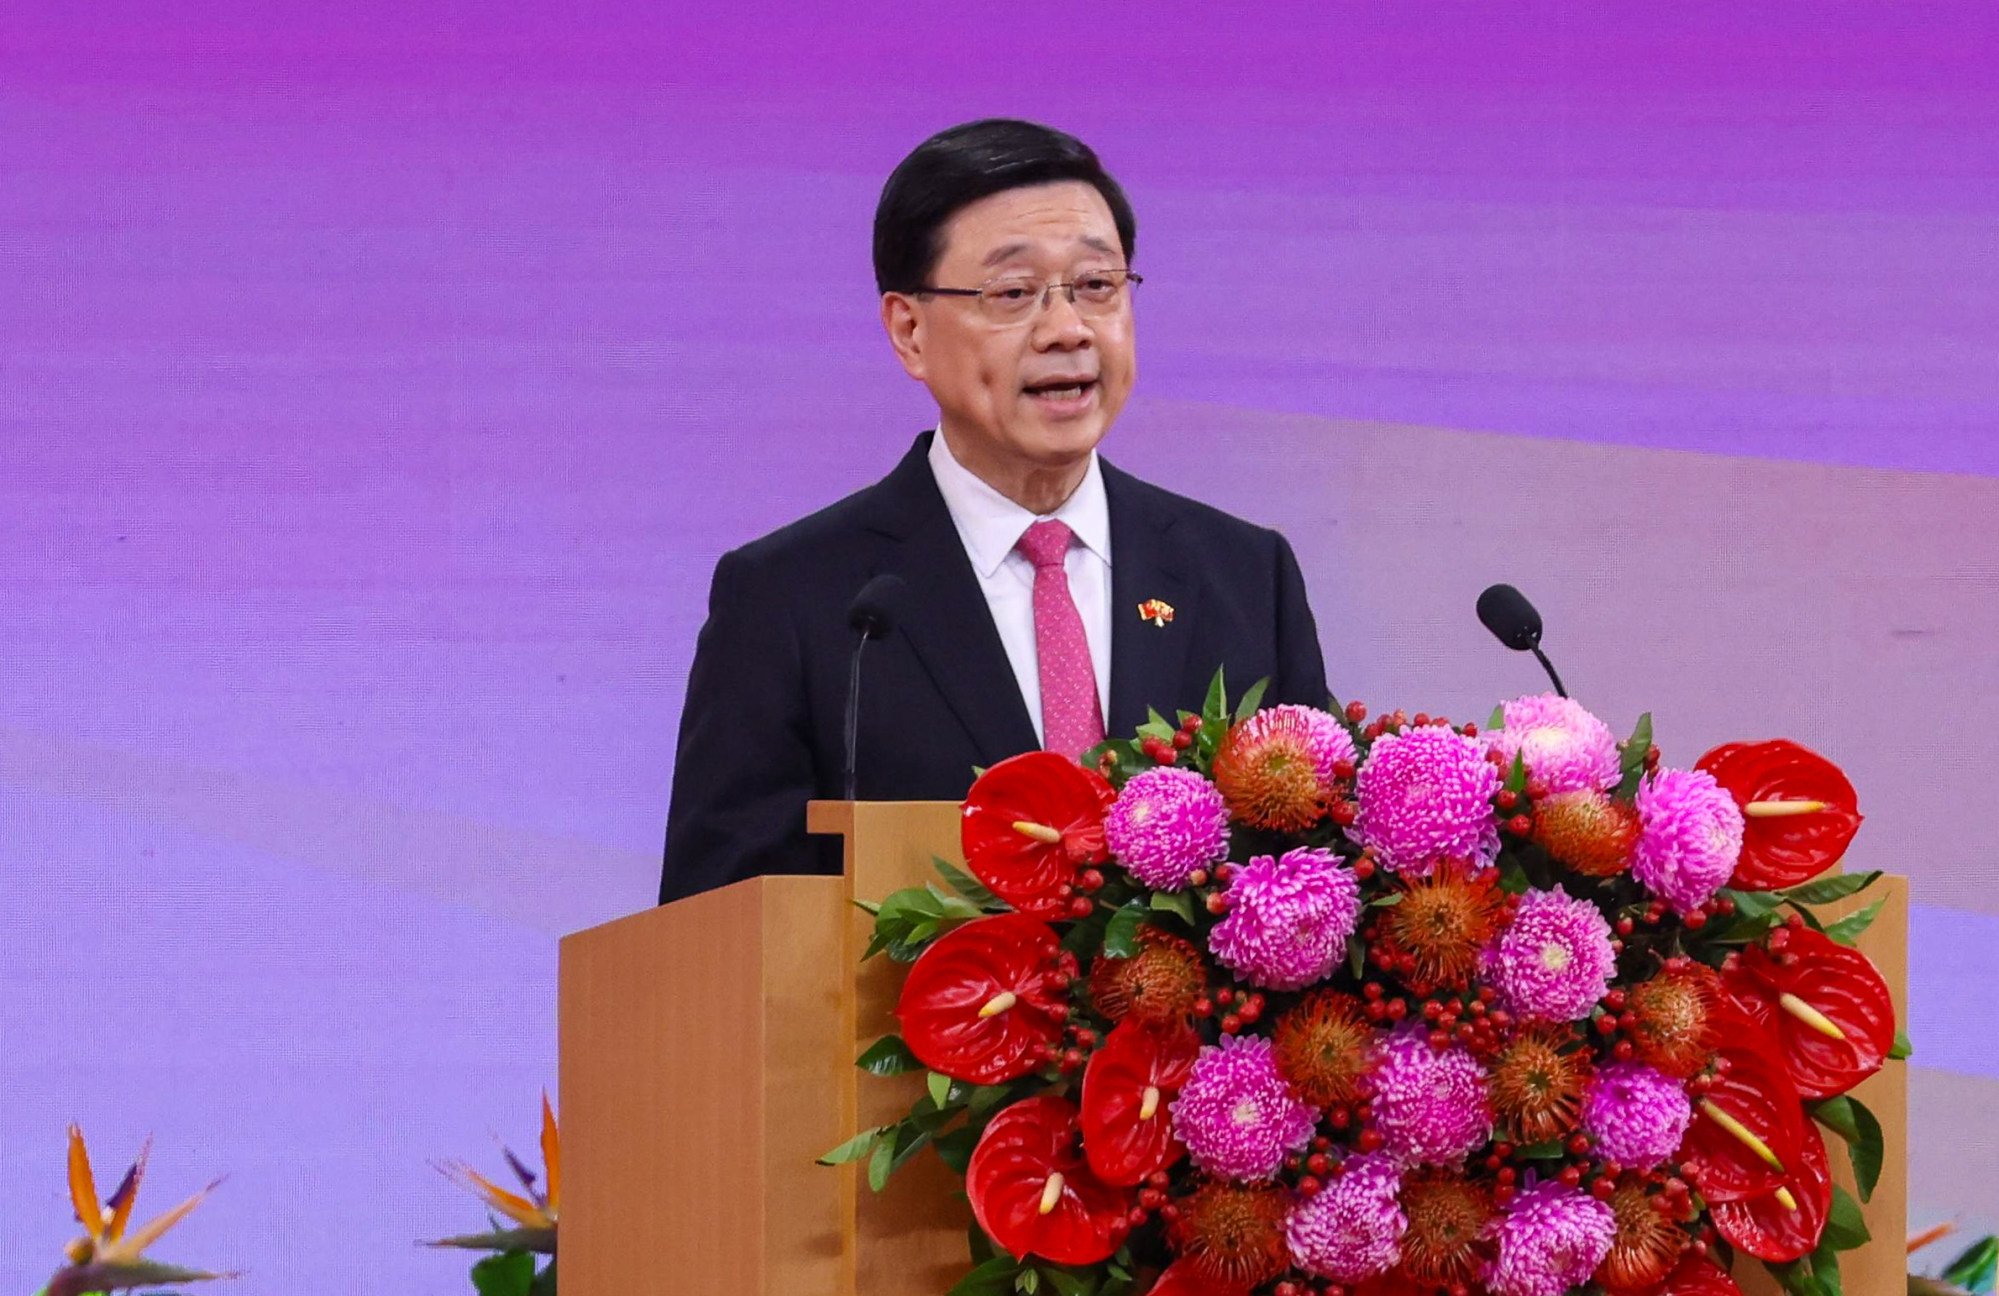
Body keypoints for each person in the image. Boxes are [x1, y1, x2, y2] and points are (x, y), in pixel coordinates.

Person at [659, 118, 1328, 904]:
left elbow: (1313, 880)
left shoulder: (1245, 577)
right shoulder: (795, 600)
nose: (1067, 331)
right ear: (908, 330)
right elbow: (723, 928)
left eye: (1096, 286)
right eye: (1013, 295)